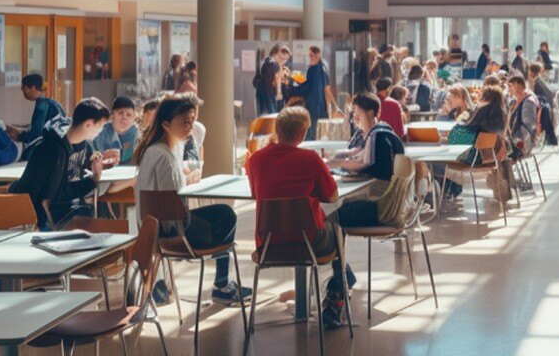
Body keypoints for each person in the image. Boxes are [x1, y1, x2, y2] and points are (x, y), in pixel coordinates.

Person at [246, 106, 356, 329]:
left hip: (268, 245)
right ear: (303, 134)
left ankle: (344, 279)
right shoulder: (310, 159)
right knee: (337, 223)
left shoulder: (256, 160)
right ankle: (337, 297)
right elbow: (332, 195)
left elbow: (256, 194)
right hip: (310, 244)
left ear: (277, 131)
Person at [135, 97, 250, 305]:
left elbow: (165, 195)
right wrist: (187, 182)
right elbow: (172, 200)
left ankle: (223, 283)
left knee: (224, 213)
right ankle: (222, 285)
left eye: (191, 121)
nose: (190, 127)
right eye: (184, 122)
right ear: (166, 125)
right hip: (174, 232)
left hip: (151, 227)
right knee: (227, 216)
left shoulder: (155, 151)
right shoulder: (165, 157)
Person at [9, 97, 110, 229]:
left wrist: (97, 168)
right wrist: (93, 180)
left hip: (64, 213)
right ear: (88, 124)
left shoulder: (83, 145)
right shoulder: (53, 151)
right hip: (41, 218)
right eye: (100, 126)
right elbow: (53, 195)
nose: (100, 131)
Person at [327, 92, 404, 194]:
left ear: (371, 113)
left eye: (357, 115)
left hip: (378, 196)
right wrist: (333, 157)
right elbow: (356, 151)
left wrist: (337, 163)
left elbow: (365, 164)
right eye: (353, 114)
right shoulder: (370, 133)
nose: (354, 119)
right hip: (375, 191)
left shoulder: (378, 136)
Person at [7, 74, 65, 150]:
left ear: (33, 87)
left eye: (25, 88)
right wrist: (19, 130)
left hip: (54, 146)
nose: (24, 92)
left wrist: (18, 137)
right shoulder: (49, 102)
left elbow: (36, 133)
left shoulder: (42, 105)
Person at [291, 46, 327, 140]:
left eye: (313, 55)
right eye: (310, 55)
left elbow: (308, 87)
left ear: (318, 55)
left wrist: (292, 89)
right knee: (312, 130)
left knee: (310, 132)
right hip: (318, 105)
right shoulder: (321, 68)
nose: (311, 57)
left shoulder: (314, 69)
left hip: (313, 104)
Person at [93, 96, 139, 165]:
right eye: (120, 113)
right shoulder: (99, 132)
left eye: (128, 115)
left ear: (133, 117)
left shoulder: (136, 134)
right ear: (112, 115)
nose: (124, 117)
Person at [255, 44, 291, 115]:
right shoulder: (271, 65)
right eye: (282, 58)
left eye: (286, 59)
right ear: (275, 54)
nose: (284, 61)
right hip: (269, 102)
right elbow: (268, 89)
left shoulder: (278, 66)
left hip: (275, 101)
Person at [507, 75, 538, 158]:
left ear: (517, 85)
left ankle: (504, 170)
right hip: (513, 141)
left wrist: (518, 143)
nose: (509, 89)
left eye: (510, 86)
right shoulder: (514, 101)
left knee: (497, 152)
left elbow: (527, 125)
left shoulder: (528, 101)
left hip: (520, 144)